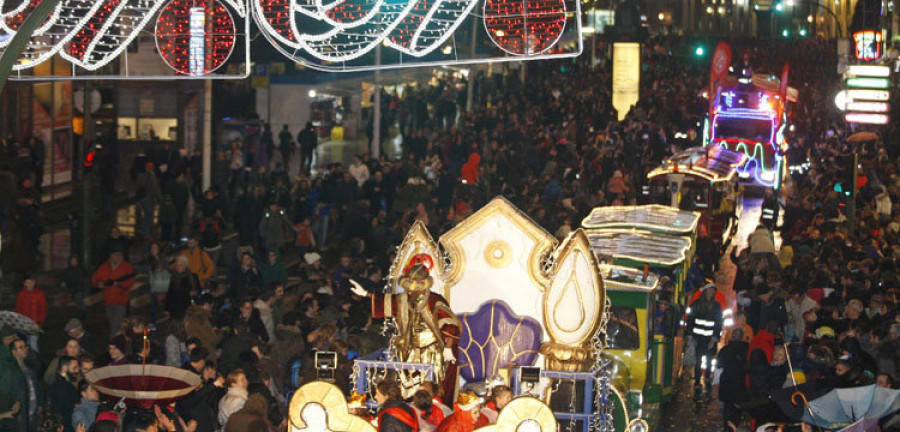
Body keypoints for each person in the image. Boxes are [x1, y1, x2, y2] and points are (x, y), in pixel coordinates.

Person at [351, 261, 461, 406]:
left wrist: (448, 348)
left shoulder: (435, 300)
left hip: (432, 351)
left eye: (413, 288)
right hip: (412, 351)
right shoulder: (405, 299)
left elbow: (451, 325)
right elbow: (388, 302)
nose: (410, 291)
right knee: (409, 387)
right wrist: (366, 294)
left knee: (431, 387)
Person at [685, 282, 722, 391]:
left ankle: (707, 378)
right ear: (705, 291)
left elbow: (718, 323)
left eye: (713, 290)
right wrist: (690, 337)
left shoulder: (716, 306)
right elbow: (690, 321)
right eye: (711, 289)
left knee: (710, 360)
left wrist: (714, 339)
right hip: (698, 338)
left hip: (709, 339)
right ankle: (697, 380)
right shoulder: (696, 305)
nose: (712, 292)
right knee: (698, 360)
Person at [91, 247, 135, 335]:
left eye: (119, 255)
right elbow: (95, 278)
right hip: (108, 300)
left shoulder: (127, 267)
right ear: (110, 255)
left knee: (116, 325)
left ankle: (114, 344)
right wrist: (98, 283)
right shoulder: (104, 266)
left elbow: (130, 282)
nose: (117, 257)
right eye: (115, 254)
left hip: (120, 301)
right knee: (112, 323)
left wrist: (119, 284)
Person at [717, 328, 749, 432]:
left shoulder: (726, 349)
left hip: (727, 382)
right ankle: (735, 426)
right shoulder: (747, 349)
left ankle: (727, 427)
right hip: (741, 383)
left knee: (727, 407)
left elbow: (719, 364)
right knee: (738, 408)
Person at [46, 356, 80, 432]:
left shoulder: (57, 384)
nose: (77, 371)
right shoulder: (65, 387)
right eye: (74, 368)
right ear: (64, 368)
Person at [15, 275, 46, 352]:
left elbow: (43, 309)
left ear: (34, 282)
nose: (29, 284)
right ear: (24, 284)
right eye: (27, 282)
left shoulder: (39, 294)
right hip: (24, 323)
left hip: (35, 322)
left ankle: (36, 361)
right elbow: (18, 309)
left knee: (33, 342)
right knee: (27, 343)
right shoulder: (21, 294)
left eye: (31, 282)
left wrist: (39, 321)